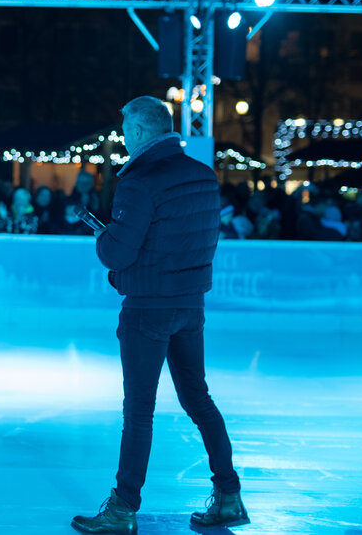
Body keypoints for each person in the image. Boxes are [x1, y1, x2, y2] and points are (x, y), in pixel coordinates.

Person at [73, 96, 247, 534]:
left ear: (138, 132)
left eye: (125, 132)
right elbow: (196, 242)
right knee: (198, 399)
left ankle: (122, 509)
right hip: (189, 306)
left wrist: (105, 239)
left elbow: (117, 252)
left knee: (139, 411)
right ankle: (229, 494)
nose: (124, 140)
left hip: (148, 309)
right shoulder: (202, 175)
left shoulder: (139, 180)